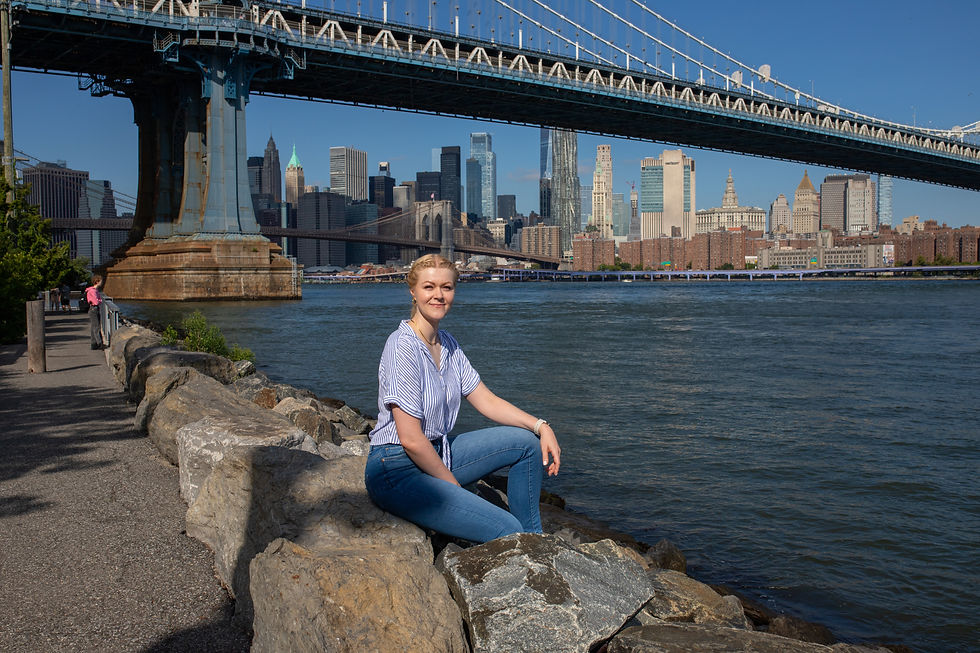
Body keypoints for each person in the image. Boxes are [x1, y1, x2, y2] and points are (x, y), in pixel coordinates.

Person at [364, 254, 561, 544]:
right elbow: (410, 439)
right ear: (413, 291)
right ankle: (522, 544)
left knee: (528, 445)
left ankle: (535, 542)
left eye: (447, 287)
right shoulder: (401, 347)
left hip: (437, 452)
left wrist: (542, 426)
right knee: (505, 528)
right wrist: (454, 488)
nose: (438, 295)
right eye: (429, 287)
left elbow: (487, 401)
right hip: (395, 469)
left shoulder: (449, 345)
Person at [85, 275, 105, 349]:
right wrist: (100, 300)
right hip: (94, 309)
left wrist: (99, 300)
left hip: (93, 309)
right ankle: (100, 343)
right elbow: (96, 302)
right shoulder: (93, 291)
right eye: (100, 281)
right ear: (97, 282)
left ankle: (94, 344)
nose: (101, 283)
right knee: (96, 327)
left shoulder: (93, 290)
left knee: (94, 326)